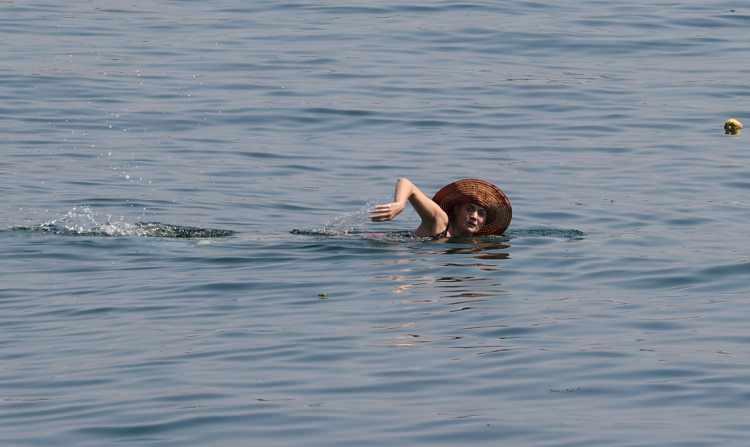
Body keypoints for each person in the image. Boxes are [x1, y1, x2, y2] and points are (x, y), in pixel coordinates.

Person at [369, 178, 512, 238]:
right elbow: (406, 183)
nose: (475, 216)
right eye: (470, 209)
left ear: (485, 221)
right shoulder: (440, 222)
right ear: (456, 210)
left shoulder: (475, 244)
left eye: (481, 213)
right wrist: (399, 204)